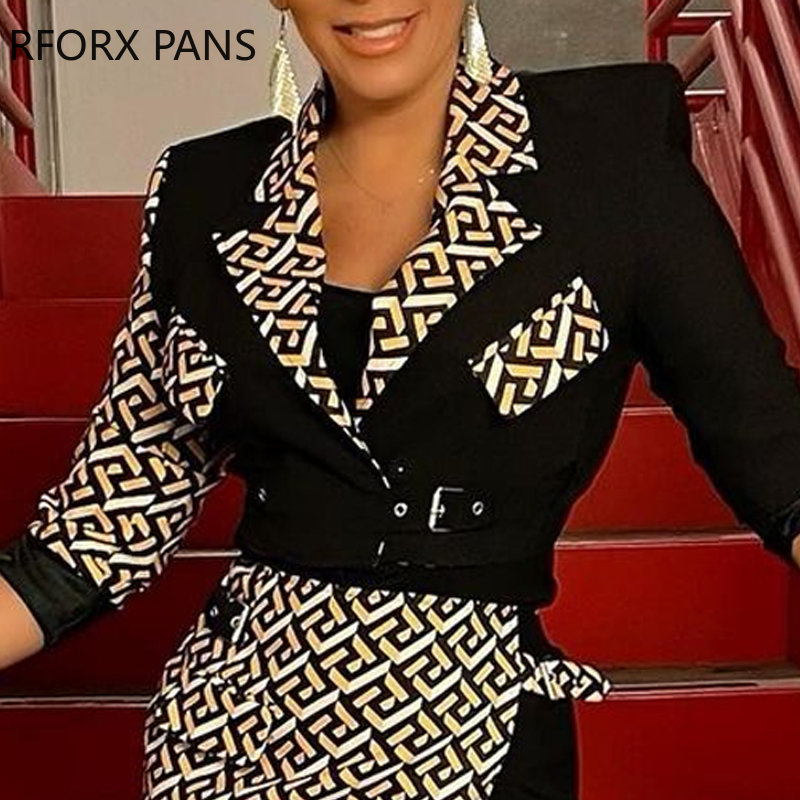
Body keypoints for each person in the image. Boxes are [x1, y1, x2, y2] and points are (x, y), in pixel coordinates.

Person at [2, 1, 800, 798]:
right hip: (230, 737)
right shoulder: (203, 193)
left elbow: (773, 453)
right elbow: (104, 523)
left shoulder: (608, 168)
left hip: (472, 732)